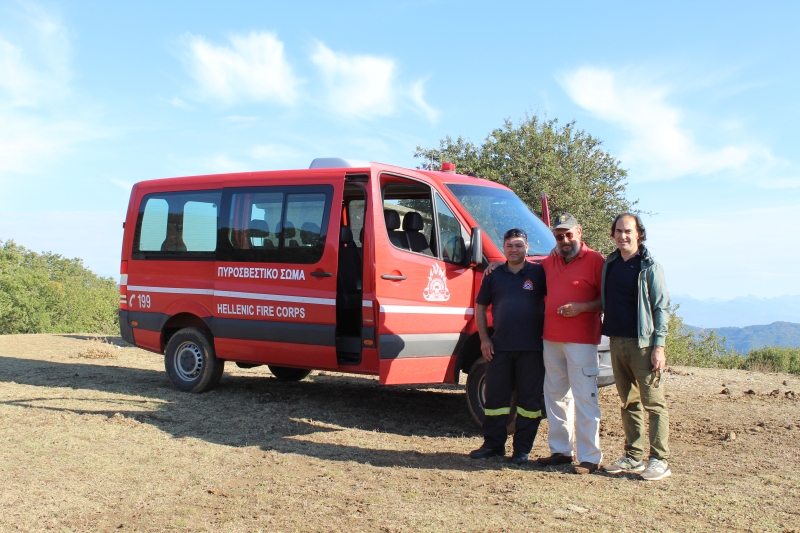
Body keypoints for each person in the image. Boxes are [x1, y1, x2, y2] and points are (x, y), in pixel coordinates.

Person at [600, 213, 672, 481]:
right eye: (618, 231)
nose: (623, 236)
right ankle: (632, 456)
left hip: (643, 345)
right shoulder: (610, 263)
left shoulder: (650, 266)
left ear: (639, 233)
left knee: (654, 404)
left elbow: (661, 308)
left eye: (628, 231)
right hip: (616, 342)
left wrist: (659, 346)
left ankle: (659, 460)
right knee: (628, 402)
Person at [533, 213, 606, 474]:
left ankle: (589, 457)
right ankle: (561, 451)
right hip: (551, 338)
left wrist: (582, 308)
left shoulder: (596, 260)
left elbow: (607, 299)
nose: (564, 240)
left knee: (585, 397)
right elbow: (527, 270)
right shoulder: (550, 260)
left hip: (582, 340)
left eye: (568, 234)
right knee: (555, 396)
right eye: (558, 236)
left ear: (579, 232)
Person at [469, 228, 547, 464]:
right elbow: (480, 307)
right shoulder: (494, 274)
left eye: (519, 245)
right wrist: (484, 339)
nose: (515, 250)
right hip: (499, 348)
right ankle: (493, 446)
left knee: (529, 403)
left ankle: (522, 450)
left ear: (527, 248)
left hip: (532, 349)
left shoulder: (539, 273)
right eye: (510, 245)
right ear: (503, 247)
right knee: (495, 401)